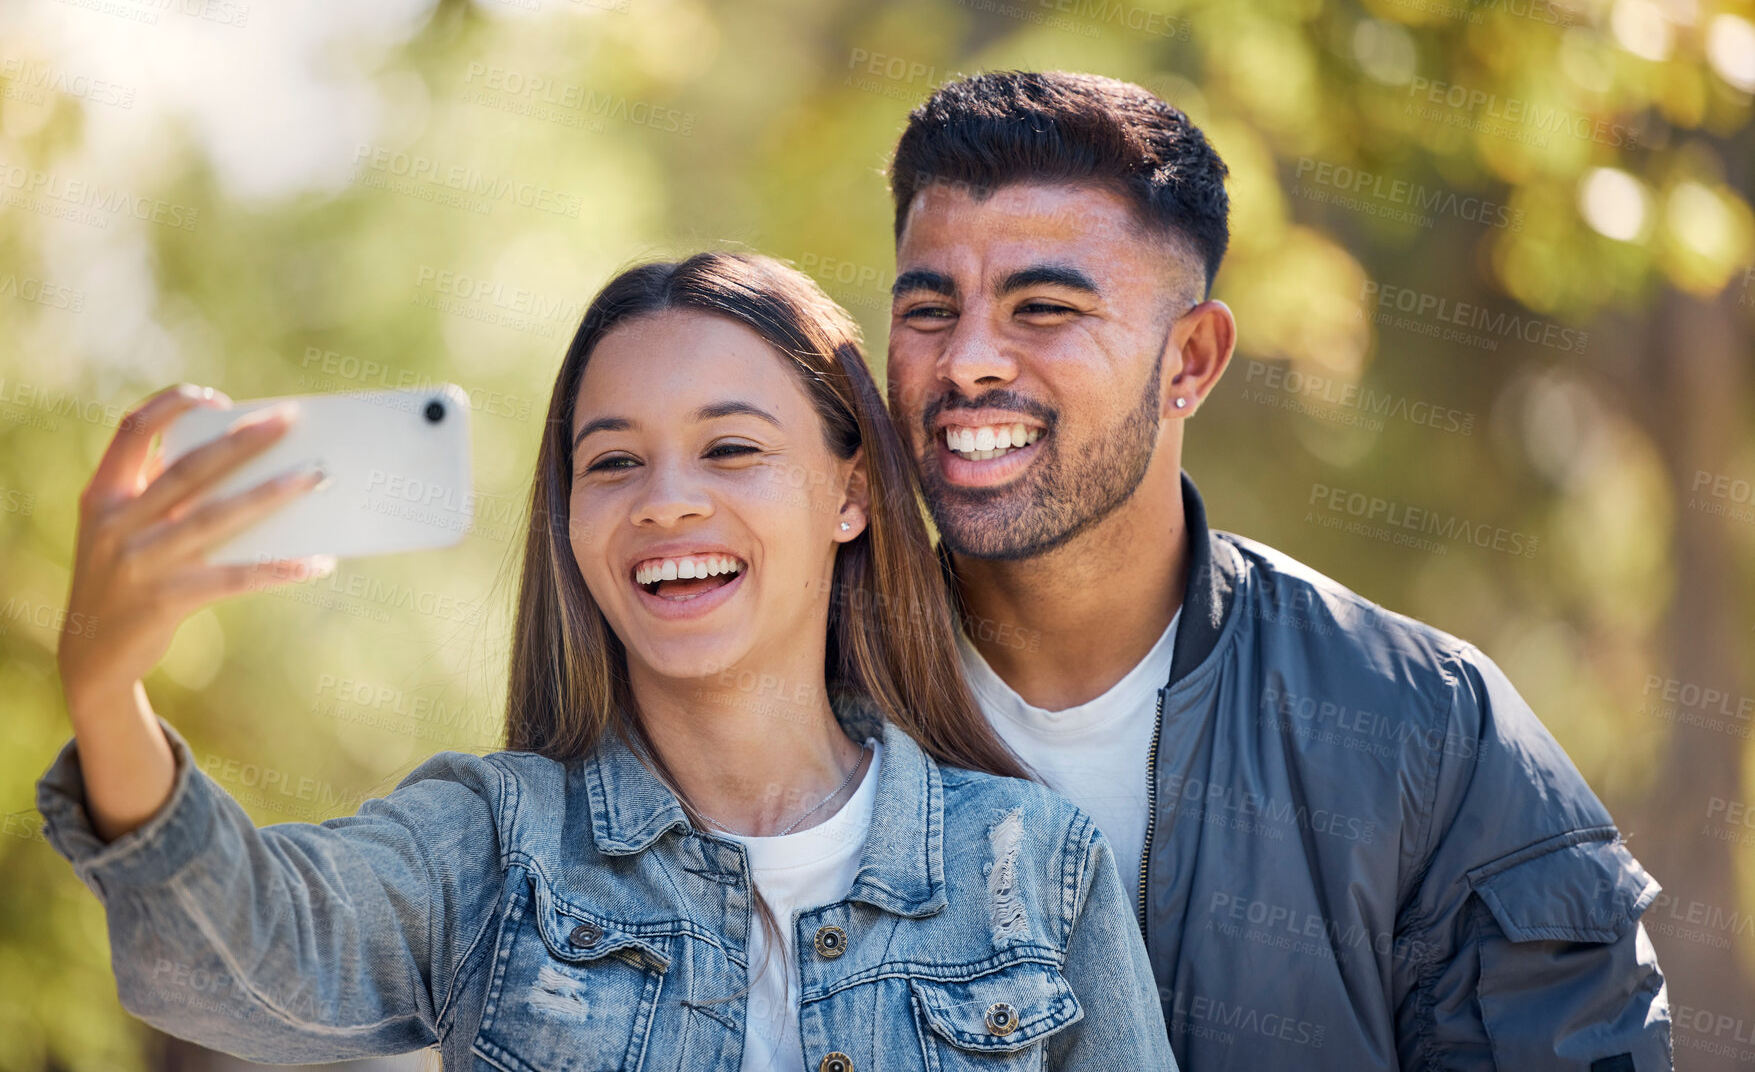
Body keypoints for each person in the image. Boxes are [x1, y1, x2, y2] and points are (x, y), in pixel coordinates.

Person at [36, 252, 1177, 1070]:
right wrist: (104, 687)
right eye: (612, 461)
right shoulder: (492, 847)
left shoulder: (1034, 867)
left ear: (851, 492)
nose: (667, 502)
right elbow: (239, 955)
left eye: (731, 448)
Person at [881, 70, 1672, 1070]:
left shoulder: (1427, 735)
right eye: (928, 308)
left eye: (1042, 307)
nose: (967, 361)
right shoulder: (793, 698)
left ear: (1191, 362)